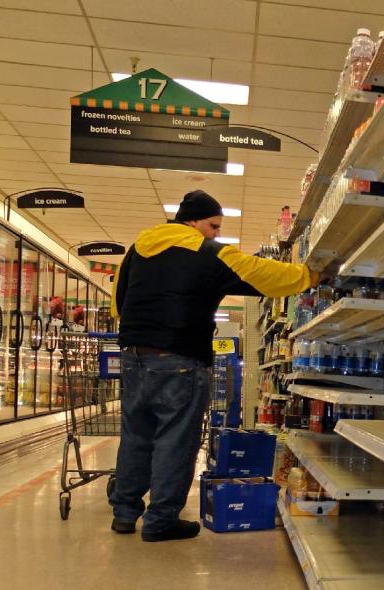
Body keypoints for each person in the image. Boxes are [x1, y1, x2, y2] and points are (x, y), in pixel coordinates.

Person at [109, 190, 318, 542]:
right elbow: (262, 273)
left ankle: (124, 514)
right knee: (175, 441)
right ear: (193, 221)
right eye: (213, 225)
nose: (216, 233)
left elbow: (118, 303)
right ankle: (160, 521)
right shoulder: (207, 252)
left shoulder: (136, 250)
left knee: (136, 436)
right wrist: (310, 277)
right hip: (179, 358)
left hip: (134, 356)